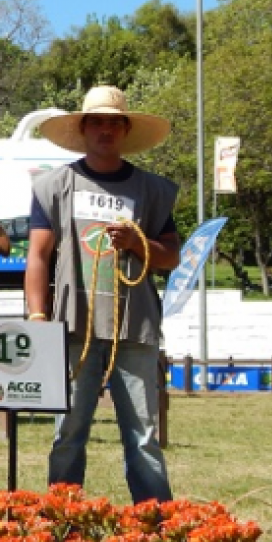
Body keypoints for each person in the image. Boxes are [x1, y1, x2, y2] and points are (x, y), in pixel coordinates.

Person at [26, 85, 181, 504]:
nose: (106, 129)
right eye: (97, 120)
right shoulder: (53, 186)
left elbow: (171, 257)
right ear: (84, 127)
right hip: (74, 324)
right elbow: (38, 256)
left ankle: (155, 524)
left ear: (126, 130)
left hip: (135, 326)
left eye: (115, 121)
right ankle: (61, 518)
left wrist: (138, 242)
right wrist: (38, 317)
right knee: (69, 431)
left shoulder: (154, 190)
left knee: (143, 435)